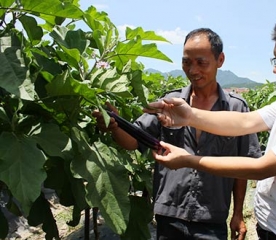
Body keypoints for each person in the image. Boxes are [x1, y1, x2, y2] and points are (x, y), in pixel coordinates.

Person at [145, 10, 276, 240]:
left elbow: (262, 168)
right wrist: (189, 115)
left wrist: (189, 161)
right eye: (275, 60)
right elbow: (247, 121)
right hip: (270, 228)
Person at [92, 28, 261, 240]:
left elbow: (243, 167)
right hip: (169, 214)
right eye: (186, 62)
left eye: (201, 62)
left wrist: (237, 214)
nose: (192, 70)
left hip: (212, 218)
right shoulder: (169, 103)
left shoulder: (237, 109)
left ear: (220, 60)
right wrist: (115, 126)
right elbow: (134, 141)